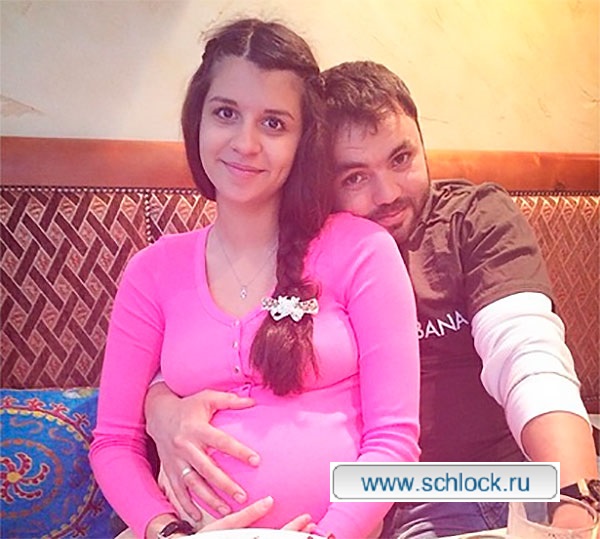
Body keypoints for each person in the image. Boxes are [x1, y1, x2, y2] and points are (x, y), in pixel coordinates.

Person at [144, 60, 598, 538]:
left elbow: (527, 354)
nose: (388, 194)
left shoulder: (471, 219)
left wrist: (573, 497)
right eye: (354, 177)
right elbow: (220, 344)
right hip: (368, 502)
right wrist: (160, 404)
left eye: (401, 159)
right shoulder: (303, 248)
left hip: (485, 482)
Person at [89, 21, 421, 539]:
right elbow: (113, 442)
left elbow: (394, 442)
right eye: (226, 113)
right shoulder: (152, 271)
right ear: (197, 120)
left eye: (273, 123)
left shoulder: (363, 251)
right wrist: (166, 531)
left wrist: (330, 536)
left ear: (303, 140)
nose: (245, 143)